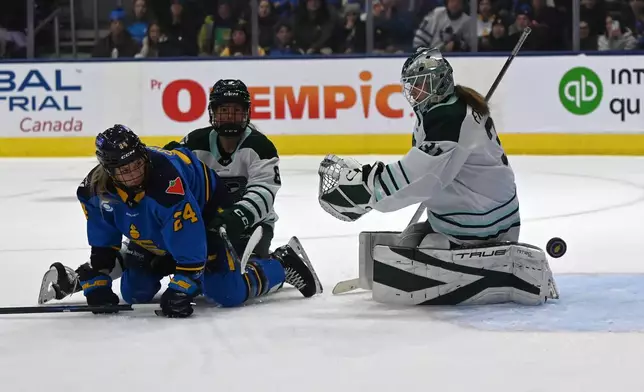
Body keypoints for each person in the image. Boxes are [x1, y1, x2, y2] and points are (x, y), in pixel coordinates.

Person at [317, 47, 558, 306]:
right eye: (412, 86)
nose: (415, 92)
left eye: (421, 84)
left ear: (440, 81)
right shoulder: (442, 108)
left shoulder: (450, 118)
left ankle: (479, 269)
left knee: (429, 245)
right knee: (411, 238)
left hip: (484, 220)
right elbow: (427, 173)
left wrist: (370, 190)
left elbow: (420, 178)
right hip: (473, 210)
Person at [38, 125, 322, 316]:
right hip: (162, 230)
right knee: (134, 292)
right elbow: (102, 241)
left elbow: (188, 233)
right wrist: (100, 278)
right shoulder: (92, 191)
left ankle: (282, 263)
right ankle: (91, 275)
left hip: (207, 219)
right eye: (124, 169)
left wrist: (184, 282)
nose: (134, 173)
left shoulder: (166, 181)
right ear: (108, 170)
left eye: (137, 163)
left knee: (226, 292)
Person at [163, 78, 321, 296]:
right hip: (208, 224)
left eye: (236, 111)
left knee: (230, 286)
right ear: (213, 113)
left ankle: (281, 263)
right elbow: (166, 178)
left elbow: (264, 193)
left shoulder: (259, 146)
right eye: (224, 111)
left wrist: (236, 218)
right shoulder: (192, 143)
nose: (229, 117)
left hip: (252, 225)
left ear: (246, 113)